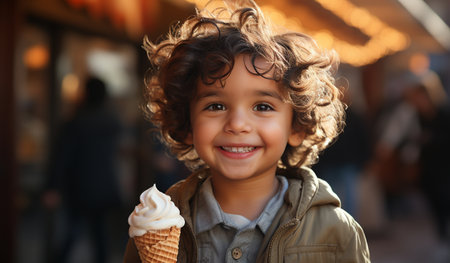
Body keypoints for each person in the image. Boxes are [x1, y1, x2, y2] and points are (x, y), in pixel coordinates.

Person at [124, 1, 370, 262]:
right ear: (187, 124)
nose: (237, 124)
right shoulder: (153, 224)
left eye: (262, 106)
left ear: (296, 126)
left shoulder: (335, 231)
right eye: (216, 105)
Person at [44, 76, 123, 263]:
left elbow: (62, 157)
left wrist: (52, 187)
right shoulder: (111, 121)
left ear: (85, 93)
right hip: (103, 186)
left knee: (71, 235)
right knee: (101, 238)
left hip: (79, 186)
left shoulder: (75, 122)